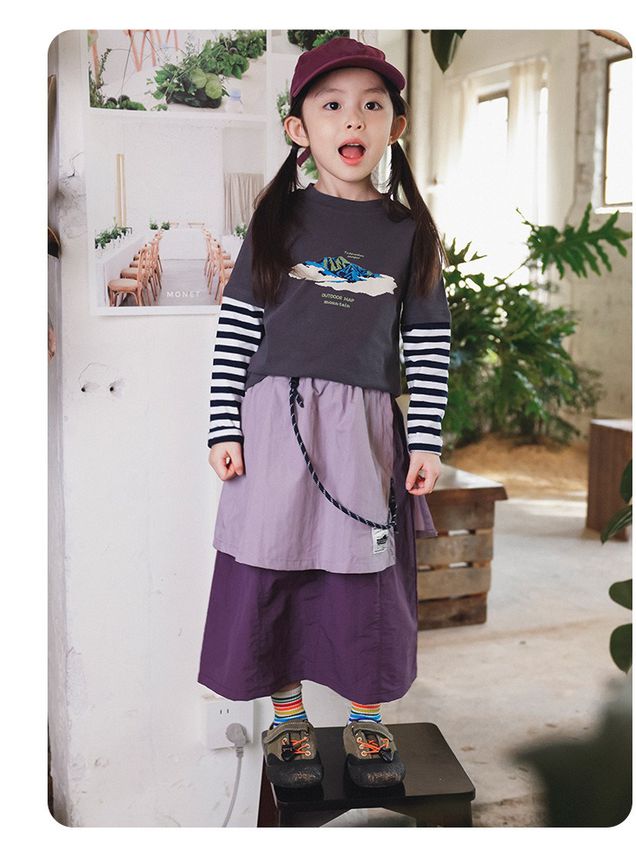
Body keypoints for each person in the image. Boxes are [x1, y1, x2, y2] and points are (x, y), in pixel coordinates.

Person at [197, 36, 452, 790]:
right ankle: (288, 718)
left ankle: (366, 717)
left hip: (365, 433)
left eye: (372, 106)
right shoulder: (278, 220)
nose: (354, 118)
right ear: (298, 128)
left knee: (362, 574)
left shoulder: (408, 233)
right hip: (274, 424)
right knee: (274, 565)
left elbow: (428, 342)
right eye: (333, 104)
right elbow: (238, 327)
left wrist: (426, 440)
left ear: (395, 128)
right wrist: (223, 424)